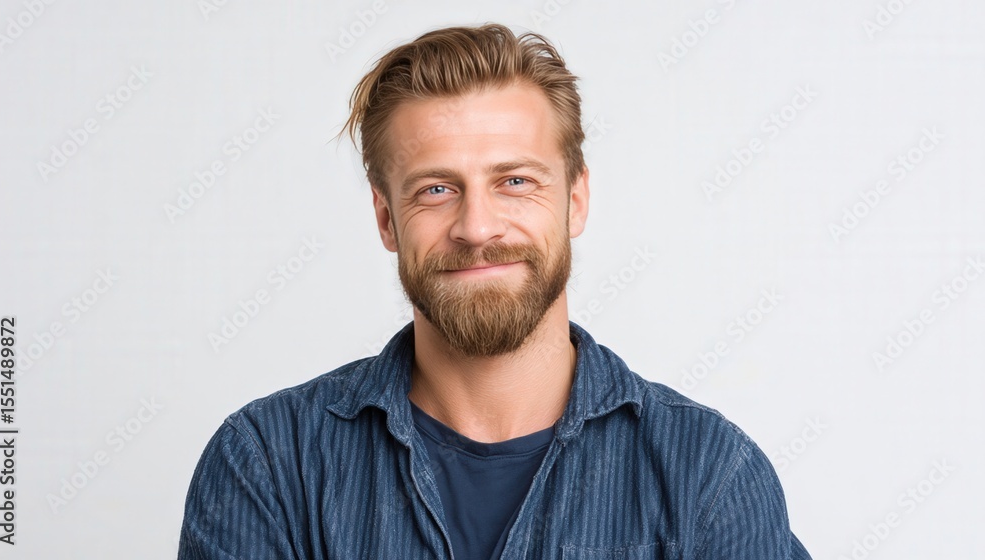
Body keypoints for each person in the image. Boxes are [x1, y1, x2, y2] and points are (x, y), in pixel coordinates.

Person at [178, 23, 812, 559]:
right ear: (384, 218)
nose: (477, 227)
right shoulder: (267, 463)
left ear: (575, 200)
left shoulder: (707, 475)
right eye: (435, 189)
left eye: (513, 181)